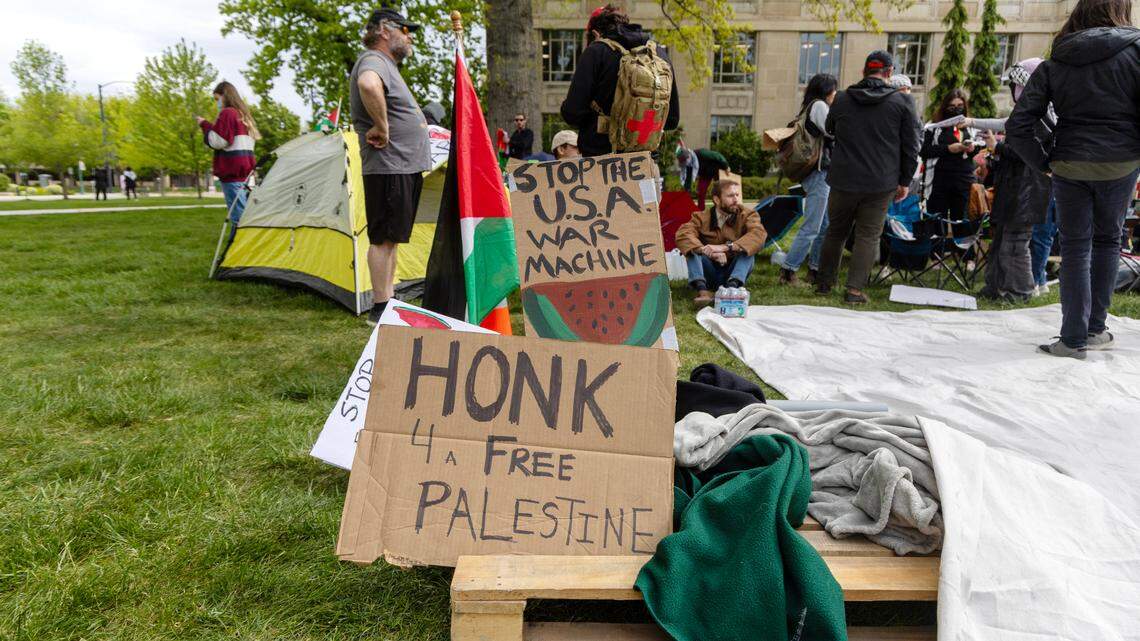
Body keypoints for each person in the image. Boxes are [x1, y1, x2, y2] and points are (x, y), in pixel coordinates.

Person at [1006, 0, 1140, 359]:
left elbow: (1017, 127)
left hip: (1068, 162)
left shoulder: (1057, 58)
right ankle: (1095, 329)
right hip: (1121, 162)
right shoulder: (1136, 50)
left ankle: (1073, 338)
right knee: (1108, 240)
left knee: (1076, 247)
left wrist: (1045, 163)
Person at [815, 50, 921, 304]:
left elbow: (830, 129)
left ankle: (824, 283)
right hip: (880, 181)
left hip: (842, 178)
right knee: (867, 235)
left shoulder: (841, 99)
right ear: (888, 73)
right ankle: (854, 290)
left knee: (836, 232)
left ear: (864, 71)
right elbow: (912, 145)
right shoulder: (902, 102)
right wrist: (905, 181)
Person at [350, 7, 432, 324]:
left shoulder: (386, 64)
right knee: (383, 239)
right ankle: (381, 306)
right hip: (389, 166)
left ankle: (390, 299)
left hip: (401, 167)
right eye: (405, 30)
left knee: (391, 238)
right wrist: (382, 126)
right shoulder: (373, 61)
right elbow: (369, 85)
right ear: (385, 30)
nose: (409, 37)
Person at [976, 58, 1054, 304]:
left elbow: (1027, 151)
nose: (1013, 91)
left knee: (1016, 243)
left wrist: (997, 146)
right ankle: (995, 286)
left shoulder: (1040, 116)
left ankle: (1019, 291)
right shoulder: (1033, 113)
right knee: (1002, 240)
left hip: (1027, 190)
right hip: (1016, 188)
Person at [560, 4, 680, 157]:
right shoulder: (659, 54)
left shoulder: (596, 51)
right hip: (643, 161)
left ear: (595, 33)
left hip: (601, 161)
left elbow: (572, 113)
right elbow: (672, 120)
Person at [779, 73, 837, 286]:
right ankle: (788, 270)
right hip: (818, 173)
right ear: (827, 90)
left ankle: (814, 270)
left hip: (817, 173)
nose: (835, 94)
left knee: (824, 225)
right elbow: (832, 132)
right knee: (813, 226)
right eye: (834, 90)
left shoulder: (808, 106)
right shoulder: (820, 106)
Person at [675, 178, 767, 305]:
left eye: (737, 195)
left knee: (748, 251)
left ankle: (731, 290)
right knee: (691, 249)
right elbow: (683, 234)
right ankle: (703, 292)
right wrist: (708, 251)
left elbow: (758, 235)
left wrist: (726, 247)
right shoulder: (700, 217)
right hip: (709, 272)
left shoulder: (748, 214)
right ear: (717, 199)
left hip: (733, 271)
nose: (736, 200)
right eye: (730, 196)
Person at [197, 81, 260, 229]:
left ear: (224, 96)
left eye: (217, 99)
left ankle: (240, 246)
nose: (217, 103)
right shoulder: (244, 116)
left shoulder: (227, 113)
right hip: (244, 170)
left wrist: (205, 125)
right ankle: (239, 243)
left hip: (231, 170)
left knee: (238, 215)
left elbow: (218, 141)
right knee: (242, 210)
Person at [921, 89, 979, 221]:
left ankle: (959, 242)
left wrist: (971, 149)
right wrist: (948, 149)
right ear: (945, 107)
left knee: (961, 220)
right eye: (952, 107)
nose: (956, 109)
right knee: (936, 220)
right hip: (939, 179)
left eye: (960, 106)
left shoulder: (969, 125)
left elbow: (977, 151)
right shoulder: (934, 126)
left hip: (963, 179)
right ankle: (937, 241)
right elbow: (924, 151)